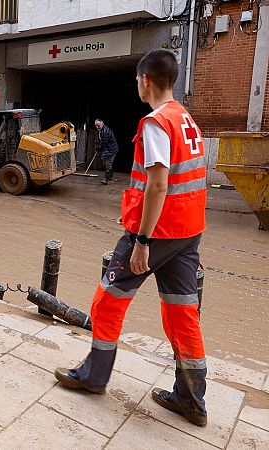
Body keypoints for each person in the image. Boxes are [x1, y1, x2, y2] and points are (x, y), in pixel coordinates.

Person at [54, 49, 208, 427]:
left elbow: (157, 185)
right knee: (182, 314)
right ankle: (192, 400)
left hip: (156, 232)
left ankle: (94, 376)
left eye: (137, 79)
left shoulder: (156, 123)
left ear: (146, 80)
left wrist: (142, 241)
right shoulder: (187, 121)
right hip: (189, 233)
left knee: (107, 301)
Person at [95, 119, 119, 184]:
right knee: (105, 162)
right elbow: (102, 142)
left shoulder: (105, 132)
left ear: (102, 124)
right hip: (108, 148)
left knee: (108, 164)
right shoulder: (102, 130)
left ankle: (106, 179)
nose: (97, 127)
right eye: (96, 125)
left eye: (98, 125)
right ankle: (110, 175)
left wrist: (99, 148)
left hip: (112, 149)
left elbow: (104, 143)